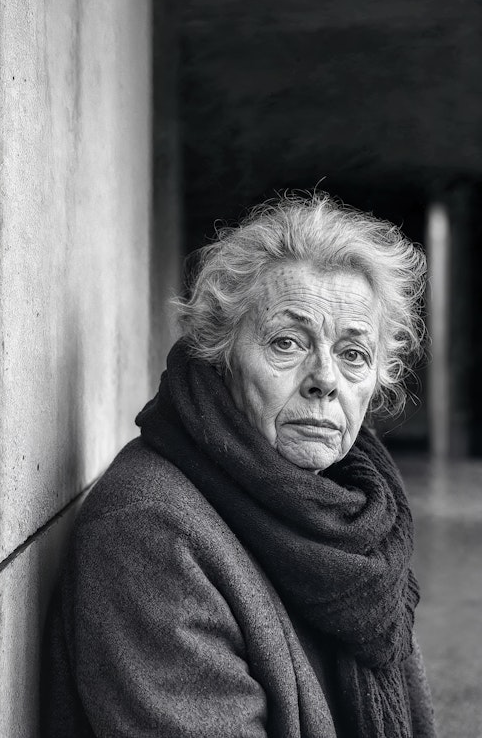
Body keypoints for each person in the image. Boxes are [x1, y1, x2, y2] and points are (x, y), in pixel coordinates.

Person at [40, 193, 436, 737]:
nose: (326, 379)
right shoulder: (147, 533)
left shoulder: (361, 520)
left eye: (352, 353)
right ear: (220, 354)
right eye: (287, 342)